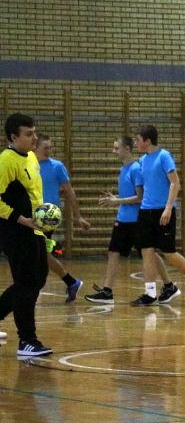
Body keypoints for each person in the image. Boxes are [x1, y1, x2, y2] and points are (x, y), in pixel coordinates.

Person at [86, 136, 174, 303]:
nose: (113, 151)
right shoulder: (124, 168)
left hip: (136, 220)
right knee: (114, 252)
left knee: (149, 254)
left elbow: (140, 197)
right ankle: (107, 292)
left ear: (126, 149)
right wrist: (116, 199)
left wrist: (117, 201)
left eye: (116, 148)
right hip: (123, 219)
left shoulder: (136, 169)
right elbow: (128, 195)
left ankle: (168, 285)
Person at [130, 125, 185, 306]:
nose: (136, 143)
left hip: (163, 211)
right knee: (146, 251)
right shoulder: (142, 160)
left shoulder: (164, 156)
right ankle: (150, 293)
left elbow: (175, 183)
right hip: (146, 211)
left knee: (169, 252)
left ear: (147, 141)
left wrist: (168, 208)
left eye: (138, 140)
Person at [0, 114, 52, 356]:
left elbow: (34, 194)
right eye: (29, 134)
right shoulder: (5, 161)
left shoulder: (31, 157)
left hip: (34, 229)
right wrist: (22, 220)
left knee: (38, 279)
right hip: (15, 230)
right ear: (13, 137)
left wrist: (44, 222)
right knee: (26, 284)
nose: (35, 138)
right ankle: (27, 341)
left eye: (35, 132)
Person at [35, 133, 90, 302]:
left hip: (48, 216)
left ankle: (35, 287)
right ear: (35, 147)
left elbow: (69, 191)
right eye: (45, 148)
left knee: (38, 251)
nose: (49, 151)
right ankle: (71, 282)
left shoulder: (57, 166)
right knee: (40, 253)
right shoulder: (29, 164)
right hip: (32, 215)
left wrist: (78, 216)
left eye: (51, 147)